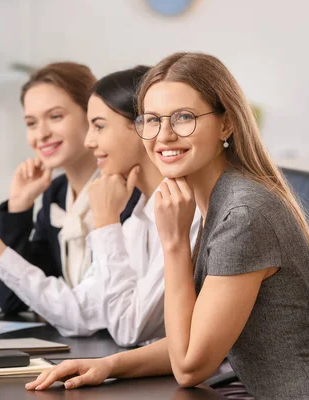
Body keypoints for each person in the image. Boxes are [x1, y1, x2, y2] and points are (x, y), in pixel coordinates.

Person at [26, 52, 309, 399]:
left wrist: (175, 242)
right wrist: (110, 365)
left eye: (183, 117)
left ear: (226, 124)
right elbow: (195, 337)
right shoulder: (220, 199)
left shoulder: (243, 215)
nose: (164, 135)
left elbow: (189, 366)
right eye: (151, 120)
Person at [0, 63, 140, 337]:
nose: (41, 133)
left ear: (90, 116)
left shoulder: (128, 192)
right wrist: (19, 209)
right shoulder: (56, 194)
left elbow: (99, 310)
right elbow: (13, 302)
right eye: (31, 123)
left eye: (55, 117)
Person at [83, 66, 200, 346]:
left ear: (141, 127)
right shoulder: (139, 216)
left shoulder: (189, 211)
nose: (88, 141)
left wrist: (106, 221)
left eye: (99, 126)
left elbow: (128, 328)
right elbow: (85, 309)